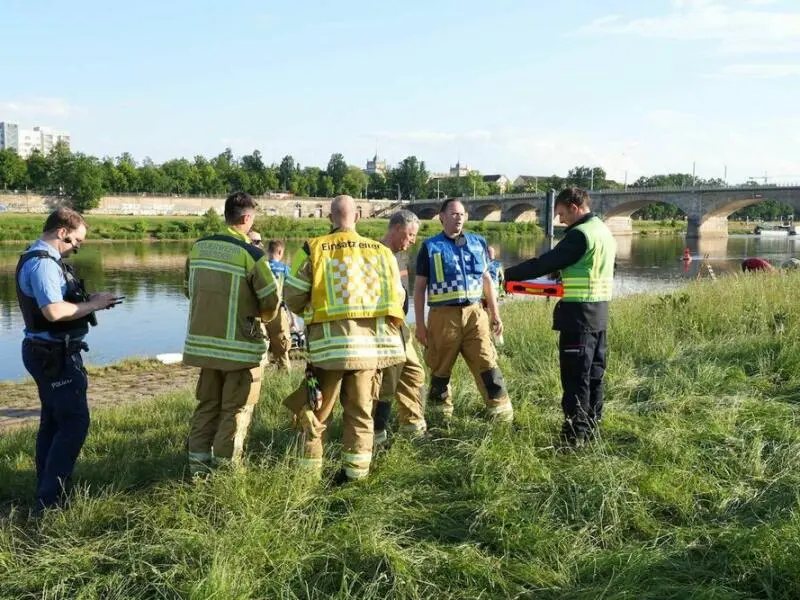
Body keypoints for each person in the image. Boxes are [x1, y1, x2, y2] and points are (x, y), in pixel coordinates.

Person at [283, 195, 406, 483]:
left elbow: (292, 296)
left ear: (330, 218)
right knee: (361, 411)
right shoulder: (381, 252)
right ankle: (355, 475)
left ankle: (308, 476)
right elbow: (398, 297)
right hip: (369, 350)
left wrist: (312, 310)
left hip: (328, 350)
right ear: (359, 217)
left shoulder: (312, 249)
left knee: (317, 412)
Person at [16, 207, 119, 511]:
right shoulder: (43, 265)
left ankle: (45, 489)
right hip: (54, 355)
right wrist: (94, 305)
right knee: (74, 423)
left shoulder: (37, 258)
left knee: (53, 422)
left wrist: (91, 302)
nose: (76, 248)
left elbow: (59, 305)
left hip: (47, 351)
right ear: (62, 232)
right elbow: (54, 312)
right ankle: (51, 501)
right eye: (76, 241)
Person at [504, 187, 616, 447]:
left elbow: (544, 263)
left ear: (575, 208)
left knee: (575, 380)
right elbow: (590, 266)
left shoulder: (579, 234)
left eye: (562, 213)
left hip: (578, 318)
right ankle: (591, 430)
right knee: (594, 377)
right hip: (599, 316)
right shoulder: (603, 231)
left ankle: (573, 438)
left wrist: (505, 275)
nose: (560, 220)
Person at [183, 192, 280, 476]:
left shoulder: (198, 247)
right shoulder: (251, 254)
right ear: (247, 218)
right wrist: (261, 319)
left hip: (203, 347)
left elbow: (188, 290)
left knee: (207, 406)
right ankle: (226, 474)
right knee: (234, 412)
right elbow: (271, 301)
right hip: (239, 349)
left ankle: (197, 469)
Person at [413, 198, 514, 424]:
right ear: (442, 217)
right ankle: (440, 419)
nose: (458, 218)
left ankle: (501, 416)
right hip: (443, 317)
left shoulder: (477, 242)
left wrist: (495, 314)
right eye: (453, 214)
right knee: (440, 369)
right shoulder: (429, 247)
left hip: (475, 314)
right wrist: (420, 325)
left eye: (461, 214)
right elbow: (419, 289)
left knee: (487, 363)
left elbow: (487, 280)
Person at [373, 210, 427, 446]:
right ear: (395, 229)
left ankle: (413, 427)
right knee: (387, 384)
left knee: (415, 373)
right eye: (410, 234)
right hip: (382, 327)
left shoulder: (402, 256)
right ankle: (377, 436)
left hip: (401, 327)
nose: (413, 240)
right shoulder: (373, 254)